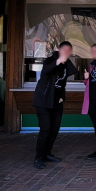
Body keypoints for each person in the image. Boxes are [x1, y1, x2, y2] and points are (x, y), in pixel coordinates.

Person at [31, 41, 77, 169]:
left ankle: (47, 153)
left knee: (55, 128)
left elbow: (62, 83)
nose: (66, 52)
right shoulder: (49, 60)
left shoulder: (66, 65)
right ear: (58, 49)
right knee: (45, 129)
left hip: (56, 101)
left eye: (69, 50)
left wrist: (62, 96)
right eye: (64, 50)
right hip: (43, 101)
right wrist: (57, 61)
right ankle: (38, 158)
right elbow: (45, 71)